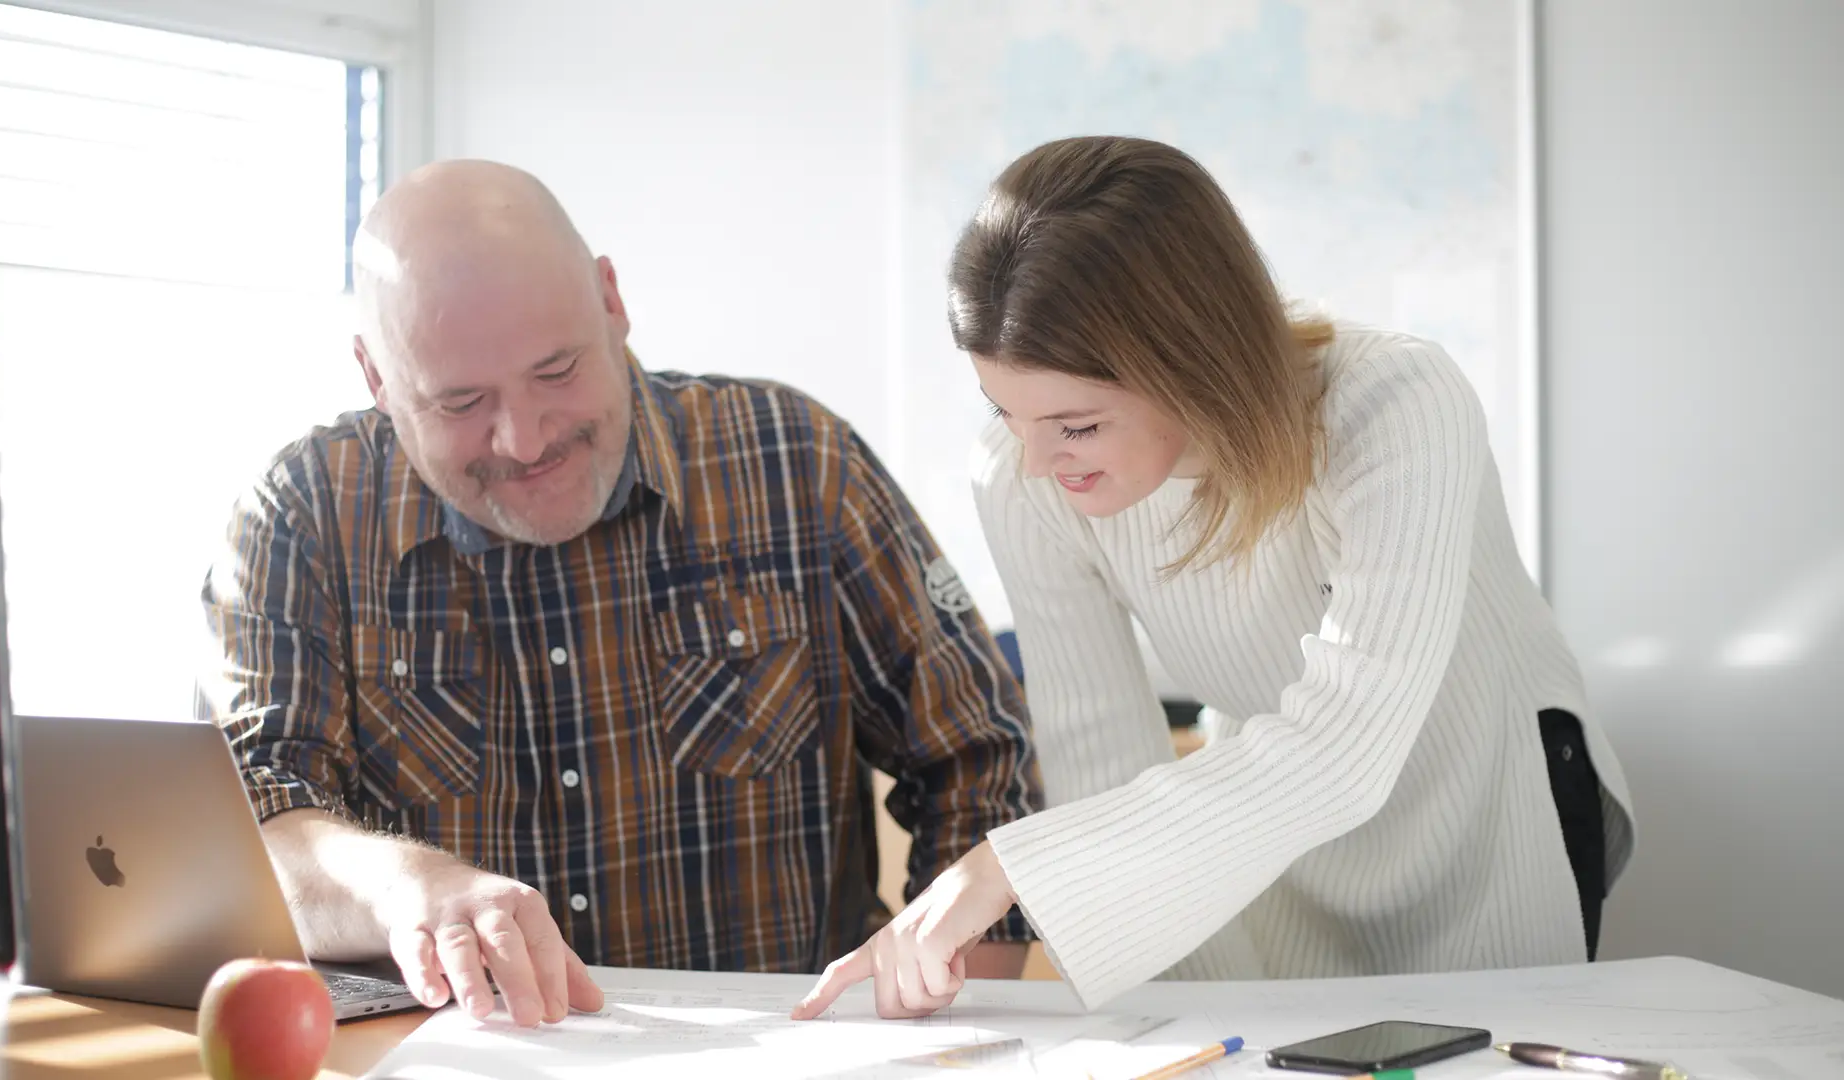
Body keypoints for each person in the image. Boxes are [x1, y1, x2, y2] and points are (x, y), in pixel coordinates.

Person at [795, 135, 1635, 1019]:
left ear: (1192, 361)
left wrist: (1001, 867)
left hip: (1486, 801)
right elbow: (1100, 759)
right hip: (1258, 820)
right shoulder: (1017, 473)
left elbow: (1347, 745)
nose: (1038, 459)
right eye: (1005, 410)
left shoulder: (1396, 403)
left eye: (1076, 425)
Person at [195, 159, 1037, 1029]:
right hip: (460, 1058)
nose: (522, 440)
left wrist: (956, 1006)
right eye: (460, 402)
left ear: (611, 300)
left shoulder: (797, 464)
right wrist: (404, 885)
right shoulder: (302, 517)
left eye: (556, 371)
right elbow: (249, 823)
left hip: (790, 1050)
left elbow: (979, 760)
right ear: (376, 377)